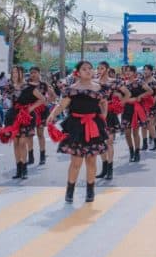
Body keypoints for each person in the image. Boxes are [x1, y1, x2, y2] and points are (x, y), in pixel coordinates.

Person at [47, 61, 110, 203]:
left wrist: (104, 115)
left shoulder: (99, 88)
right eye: (84, 69)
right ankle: (70, 191)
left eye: (90, 68)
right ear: (78, 72)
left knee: (91, 161)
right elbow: (62, 105)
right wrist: (52, 115)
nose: (88, 71)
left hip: (93, 126)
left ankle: (90, 191)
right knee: (76, 162)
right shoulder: (71, 89)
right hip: (76, 127)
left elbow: (103, 102)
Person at [0, 65, 46, 179]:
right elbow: (4, 97)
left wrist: (30, 108)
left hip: (25, 117)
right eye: (13, 72)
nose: (14, 74)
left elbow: (42, 99)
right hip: (12, 116)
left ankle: (24, 169)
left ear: (22, 73)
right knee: (15, 143)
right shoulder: (9, 87)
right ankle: (18, 169)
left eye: (17, 72)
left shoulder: (29, 86)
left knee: (22, 143)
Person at [96, 62, 130, 180]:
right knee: (100, 142)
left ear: (107, 69)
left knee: (109, 141)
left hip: (110, 113)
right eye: (98, 68)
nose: (99, 70)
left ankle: (110, 169)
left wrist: (119, 104)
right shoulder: (94, 82)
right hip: (97, 113)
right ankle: (104, 168)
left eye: (102, 68)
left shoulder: (114, 82)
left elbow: (127, 93)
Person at [121, 65, 153, 163]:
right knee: (127, 133)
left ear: (134, 72)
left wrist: (140, 96)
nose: (127, 73)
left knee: (135, 132)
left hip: (136, 109)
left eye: (129, 71)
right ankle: (131, 151)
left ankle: (137, 152)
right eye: (126, 71)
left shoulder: (139, 82)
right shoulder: (122, 83)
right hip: (126, 110)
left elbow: (150, 91)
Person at [27, 66, 55, 165]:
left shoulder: (44, 85)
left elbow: (53, 95)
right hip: (30, 111)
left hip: (42, 111)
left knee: (40, 134)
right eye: (31, 73)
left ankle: (42, 156)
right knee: (29, 134)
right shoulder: (27, 84)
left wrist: (47, 102)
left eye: (35, 72)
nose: (33, 74)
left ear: (39, 73)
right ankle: (30, 157)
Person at [142, 64, 156, 151]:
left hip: (152, 105)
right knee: (143, 124)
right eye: (144, 69)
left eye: (147, 69)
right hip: (143, 105)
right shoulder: (142, 80)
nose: (145, 71)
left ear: (151, 71)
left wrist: (152, 101)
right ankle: (144, 144)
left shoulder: (154, 81)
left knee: (149, 124)